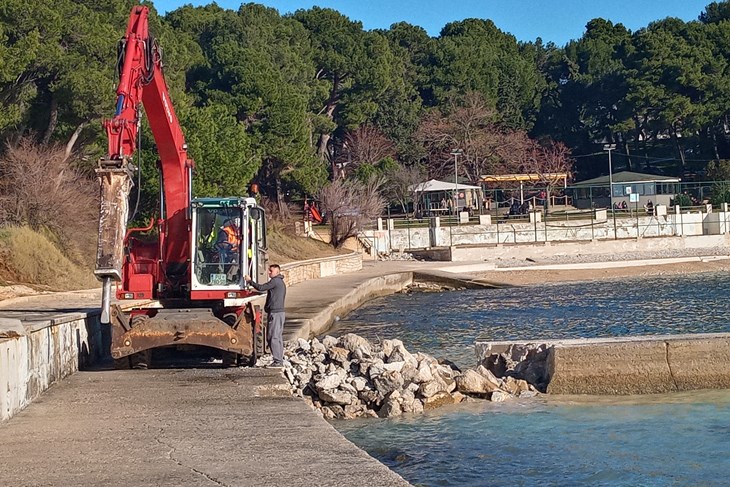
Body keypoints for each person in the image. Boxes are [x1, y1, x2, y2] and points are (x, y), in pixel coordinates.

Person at [245, 264, 287, 367]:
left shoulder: (275, 281)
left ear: (277, 272)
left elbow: (262, 288)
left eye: (271, 271)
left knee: (273, 337)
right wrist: (254, 291)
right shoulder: (279, 282)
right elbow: (267, 291)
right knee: (277, 336)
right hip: (279, 313)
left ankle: (278, 361)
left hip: (276, 313)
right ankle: (279, 359)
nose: (268, 272)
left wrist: (250, 281)